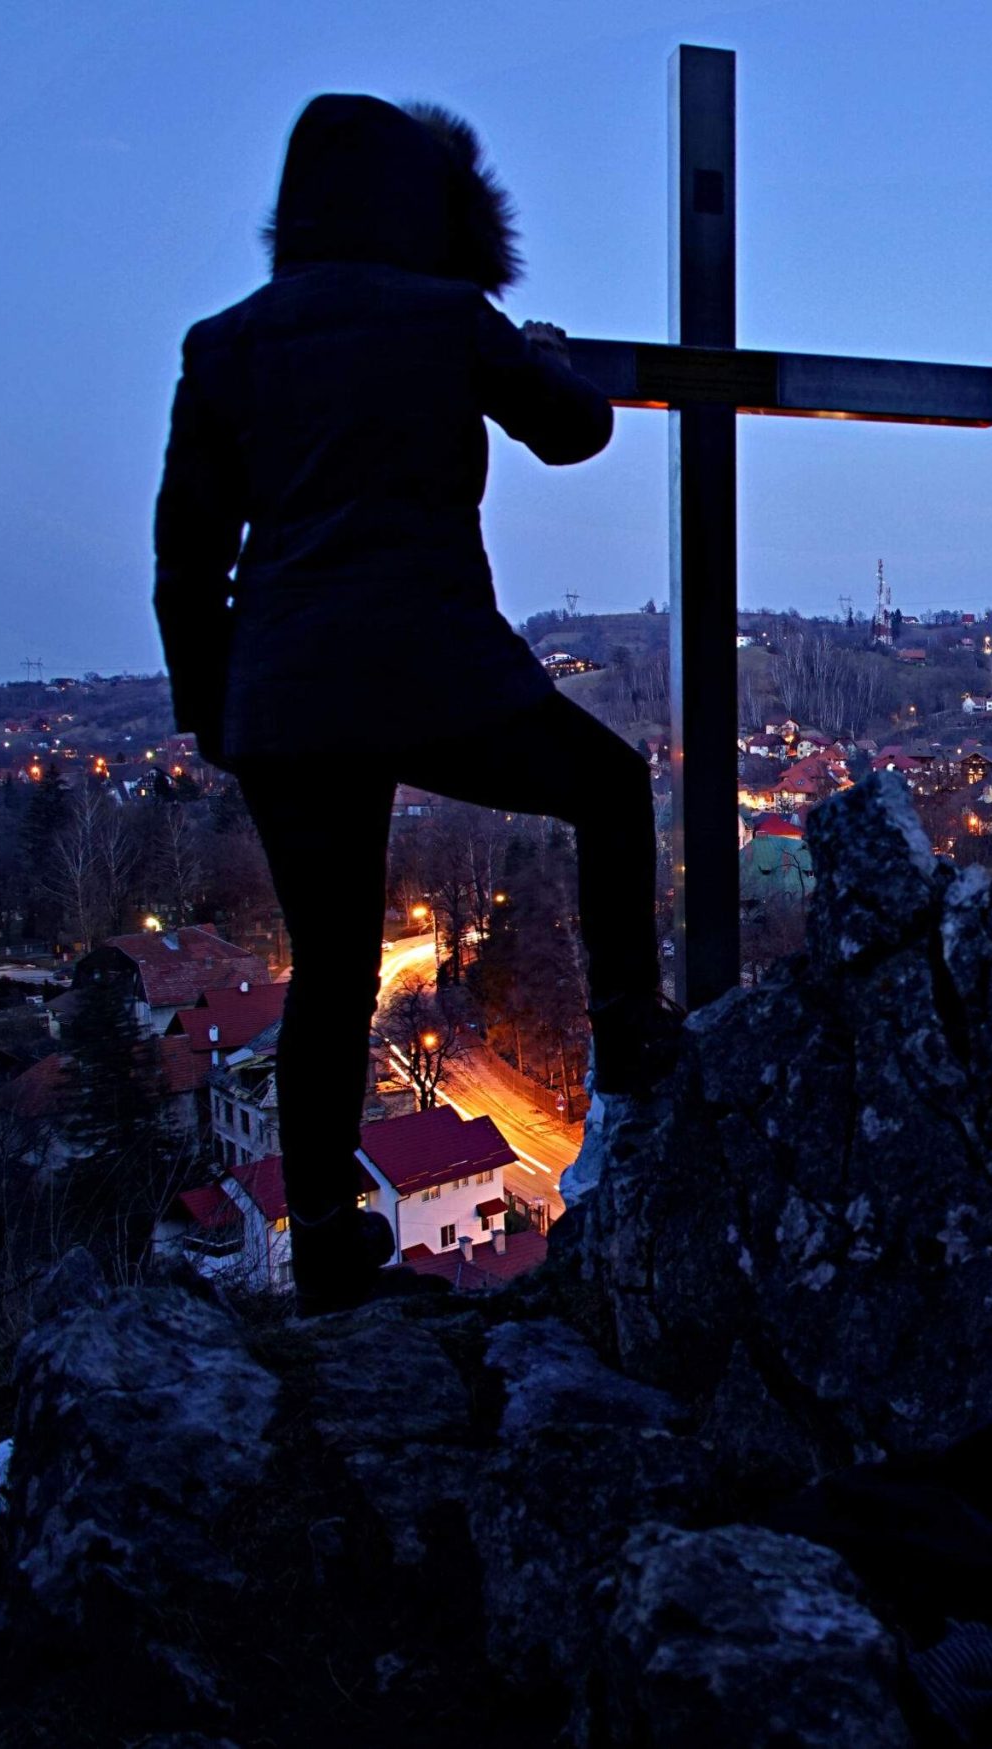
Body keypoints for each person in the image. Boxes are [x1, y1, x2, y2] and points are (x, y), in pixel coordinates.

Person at [153, 94, 679, 1315]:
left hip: (286, 695)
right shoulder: (446, 317)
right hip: (436, 667)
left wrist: (213, 712)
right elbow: (576, 434)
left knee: (331, 967)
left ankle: (330, 1235)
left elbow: (187, 560)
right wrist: (535, 357)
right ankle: (627, 1026)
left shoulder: (222, 345)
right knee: (606, 788)